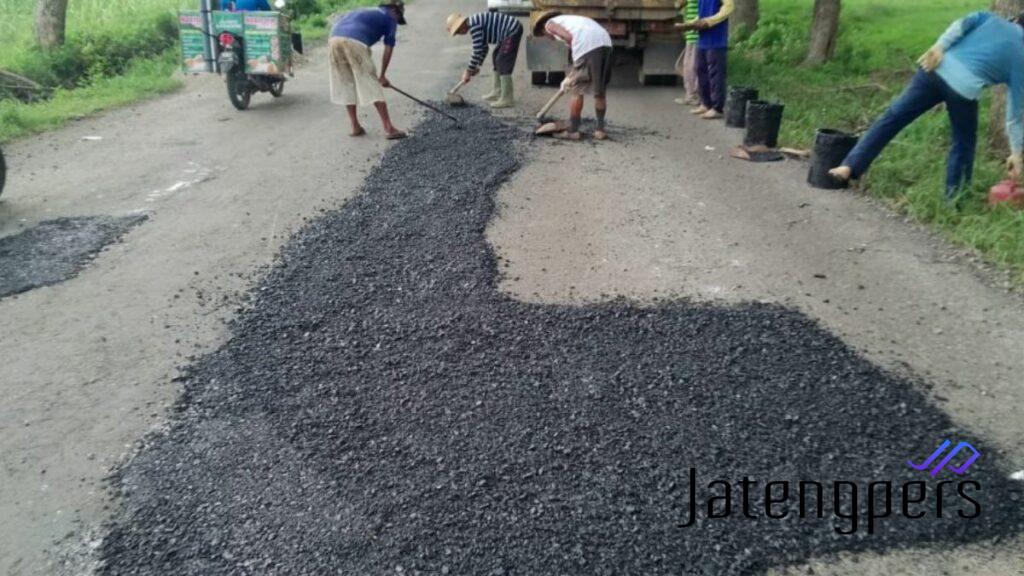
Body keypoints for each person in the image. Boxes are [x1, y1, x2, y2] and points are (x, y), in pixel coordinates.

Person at [830, 11, 1024, 200]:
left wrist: (939, 46)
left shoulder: (989, 18)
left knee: (893, 117)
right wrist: (1015, 152)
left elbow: (960, 25)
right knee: (963, 143)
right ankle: (955, 199)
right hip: (963, 91)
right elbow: (1015, 114)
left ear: (1016, 19)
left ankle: (848, 166)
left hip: (935, 69)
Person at [328, 0, 407, 140]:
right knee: (371, 83)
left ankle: (355, 126)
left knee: (346, 83)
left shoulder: (368, 11)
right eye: (398, 17)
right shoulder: (390, 18)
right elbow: (388, 48)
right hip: (354, 41)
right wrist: (382, 75)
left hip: (334, 38)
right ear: (395, 11)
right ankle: (389, 128)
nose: (397, 21)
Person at [534, 12, 613, 141]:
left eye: (544, 35)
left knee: (576, 89)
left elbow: (569, 37)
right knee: (599, 91)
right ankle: (600, 130)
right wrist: (572, 74)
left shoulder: (549, 24)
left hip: (587, 45)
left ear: (543, 28)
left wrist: (572, 77)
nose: (548, 38)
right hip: (605, 43)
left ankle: (573, 130)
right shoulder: (571, 21)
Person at [446, 12, 524, 109]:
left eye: (458, 32)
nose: (459, 34)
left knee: (502, 61)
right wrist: (477, 66)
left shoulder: (474, 26)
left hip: (512, 30)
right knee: (496, 56)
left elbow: (477, 50)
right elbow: (484, 47)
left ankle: (507, 98)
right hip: (506, 33)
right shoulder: (473, 24)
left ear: (461, 26)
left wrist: (468, 71)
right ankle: (497, 91)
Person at [682, 0, 733, 119]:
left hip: (716, 39)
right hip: (703, 39)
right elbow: (701, 14)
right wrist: (691, 23)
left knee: (716, 74)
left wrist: (710, 21)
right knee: (701, 71)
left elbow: (729, 7)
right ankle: (705, 104)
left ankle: (717, 108)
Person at [673, 0, 700, 106]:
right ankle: (690, 94)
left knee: (693, 66)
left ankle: (695, 95)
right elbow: (678, 5)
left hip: (696, 34)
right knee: (686, 65)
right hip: (691, 34)